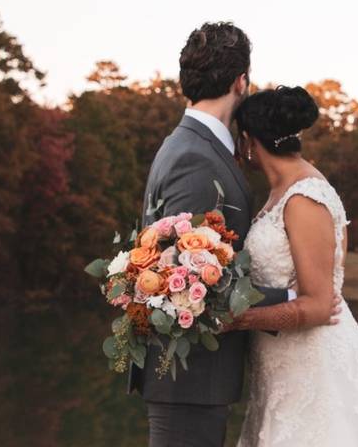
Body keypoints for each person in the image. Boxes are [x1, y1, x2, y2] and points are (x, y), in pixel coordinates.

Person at [130, 23, 339, 447]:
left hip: (197, 381)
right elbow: (187, 285)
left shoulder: (193, 146)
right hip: (189, 380)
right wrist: (294, 297)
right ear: (241, 80)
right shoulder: (197, 158)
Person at [229, 85, 358, 447]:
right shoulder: (282, 191)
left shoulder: (305, 197)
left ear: (248, 141)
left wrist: (238, 320)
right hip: (281, 365)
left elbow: (319, 305)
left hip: (313, 364)